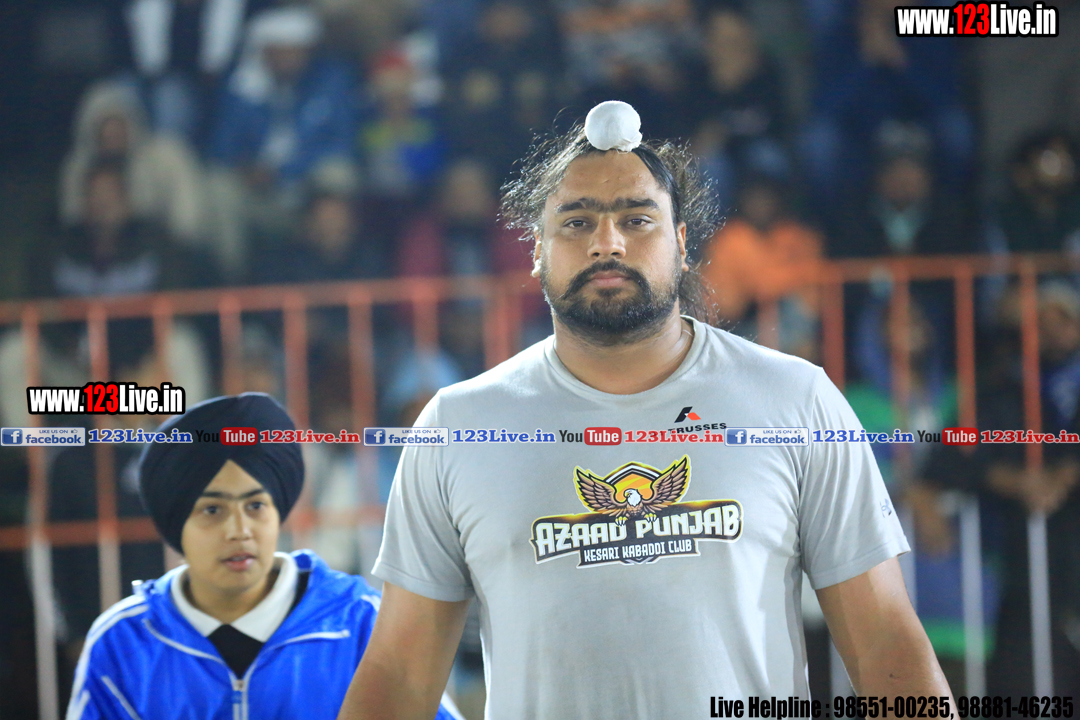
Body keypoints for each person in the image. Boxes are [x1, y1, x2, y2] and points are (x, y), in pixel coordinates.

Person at [337, 101, 954, 719]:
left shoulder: (794, 400)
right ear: (537, 249)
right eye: (576, 223)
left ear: (681, 244)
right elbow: (399, 672)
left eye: (637, 219)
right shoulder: (457, 427)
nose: (607, 242)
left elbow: (883, 637)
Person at [66, 393, 460, 719]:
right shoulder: (124, 642)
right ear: (175, 523)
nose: (239, 530)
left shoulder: (358, 623)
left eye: (256, 506)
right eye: (212, 510)